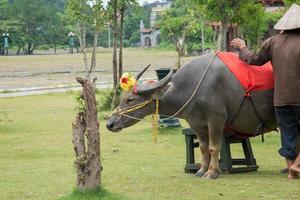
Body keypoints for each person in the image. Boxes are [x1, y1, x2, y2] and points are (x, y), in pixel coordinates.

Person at [230, 4, 300, 179]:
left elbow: (253, 59)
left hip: (281, 100)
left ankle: (292, 171)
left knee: (288, 134)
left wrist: (242, 47)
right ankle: (297, 166)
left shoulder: (273, 42)